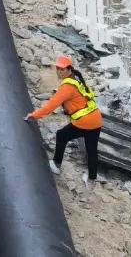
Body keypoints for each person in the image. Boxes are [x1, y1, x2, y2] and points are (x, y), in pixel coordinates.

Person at [27, 55, 103, 186]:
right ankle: (91, 178)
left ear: (68, 69)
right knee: (92, 149)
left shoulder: (67, 87)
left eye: (61, 69)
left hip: (84, 121)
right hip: (96, 119)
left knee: (61, 135)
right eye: (57, 68)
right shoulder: (76, 77)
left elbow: (51, 105)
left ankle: (56, 165)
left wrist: (34, 115)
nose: (58, 72)